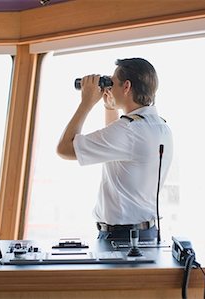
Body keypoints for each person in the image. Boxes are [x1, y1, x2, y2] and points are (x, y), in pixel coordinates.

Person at [56, 58, 173, 241]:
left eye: (113, 82)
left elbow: (64, 148)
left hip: (121, 237)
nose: (110, 87)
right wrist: (109, 107)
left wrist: (86, 102)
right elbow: (115, 148)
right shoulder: (160, 126)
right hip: (145, 233)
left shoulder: (129, 130)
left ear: (126, 87)